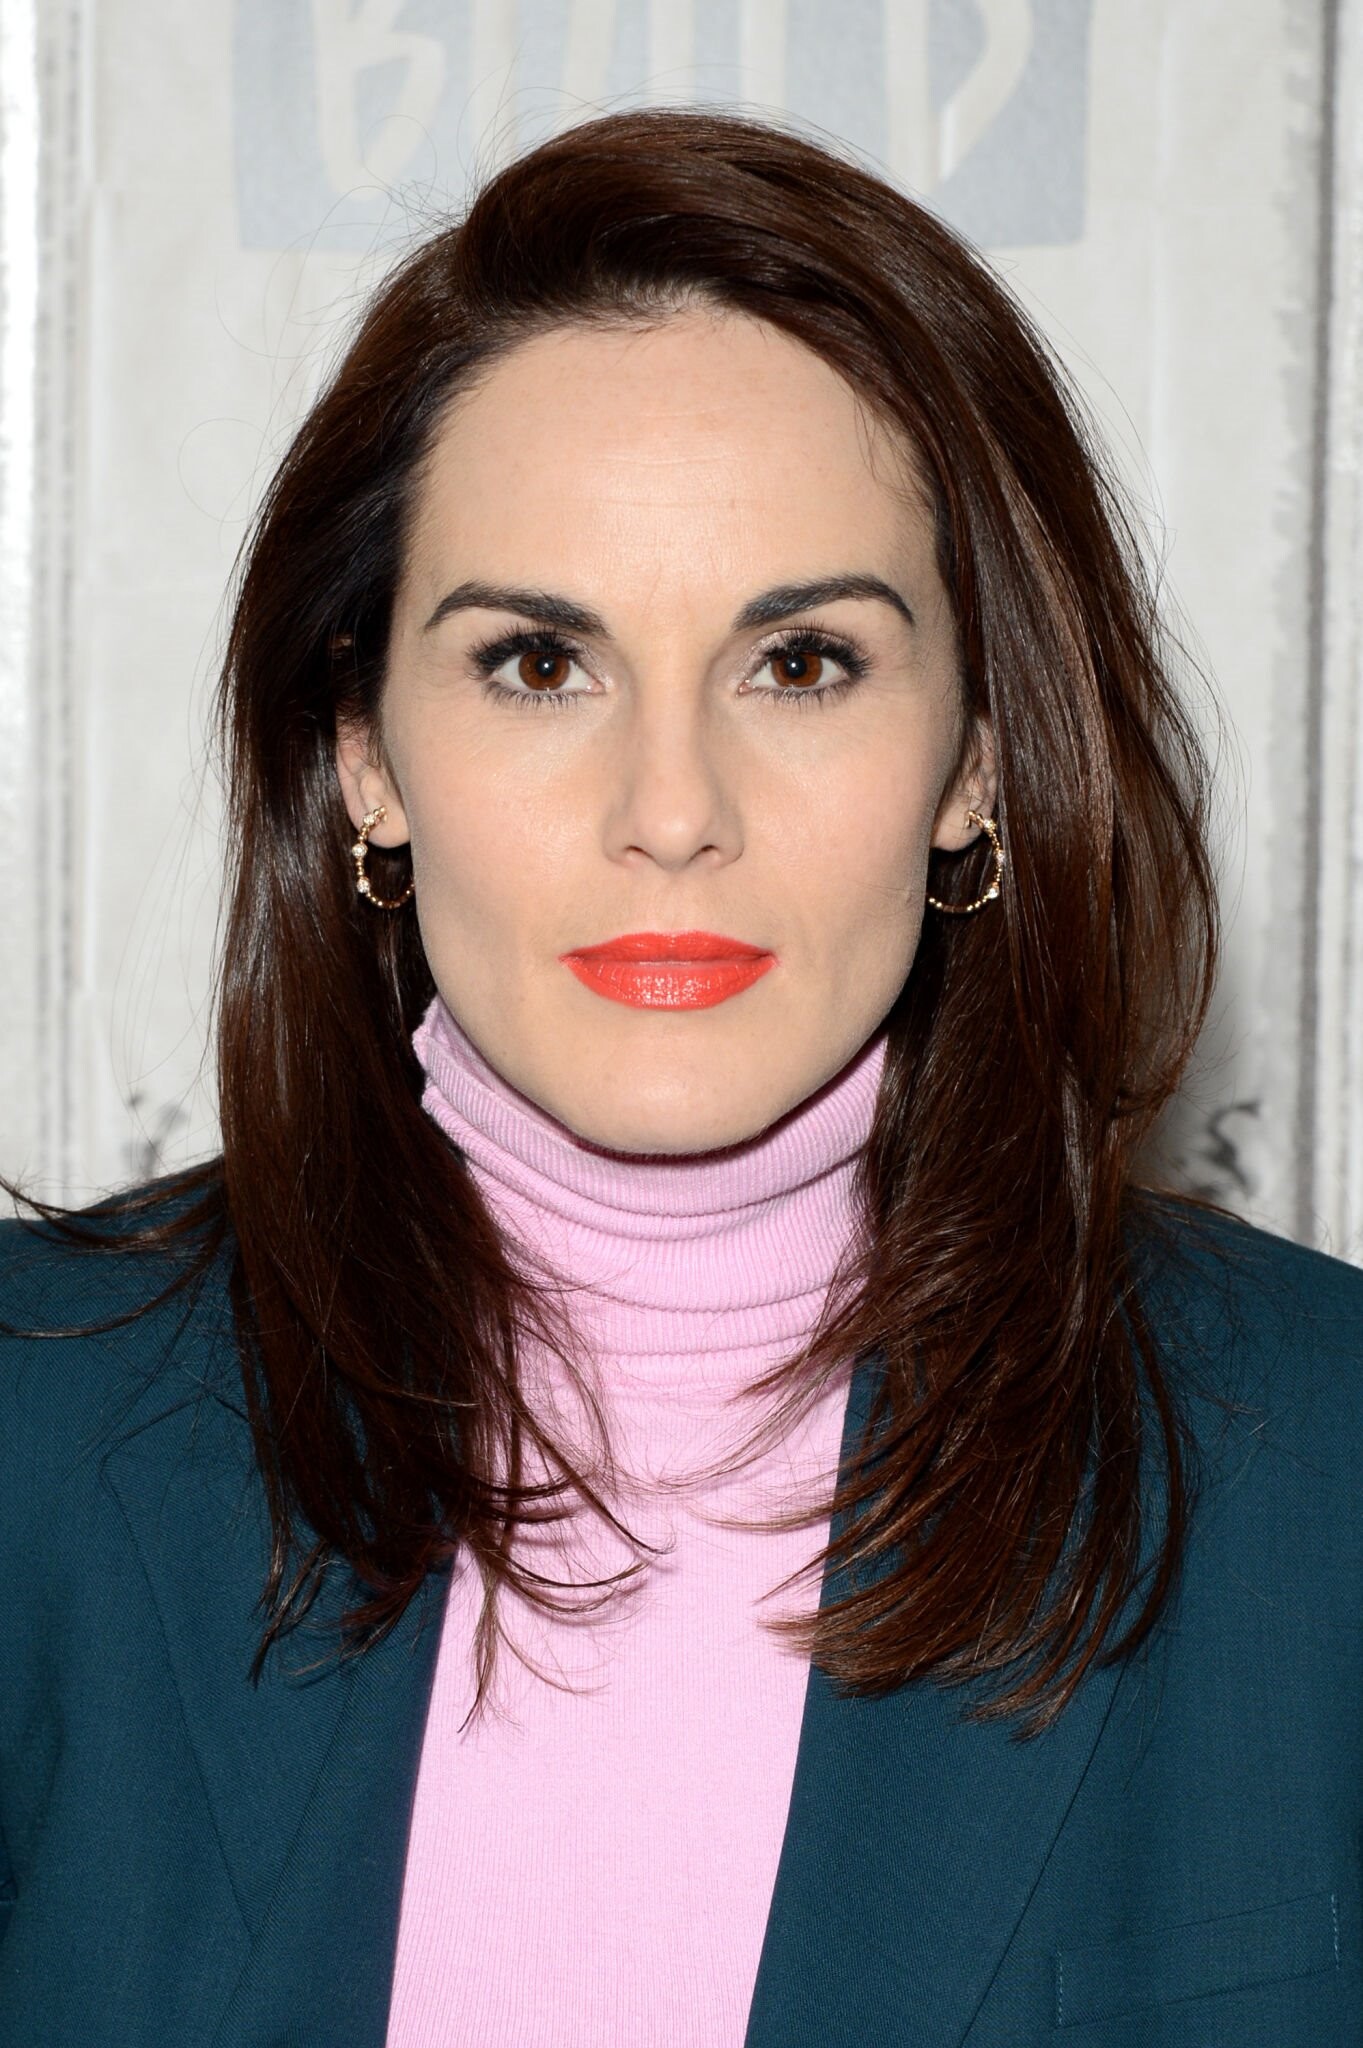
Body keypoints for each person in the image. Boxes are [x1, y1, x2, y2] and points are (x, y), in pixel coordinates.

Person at [2, 102, 1360, 2048]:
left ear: (977, 758)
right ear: (365, 753)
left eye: (797, 663)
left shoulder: (1324, 1475)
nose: (669, 809)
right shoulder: (35, 1444)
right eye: (537, 664)